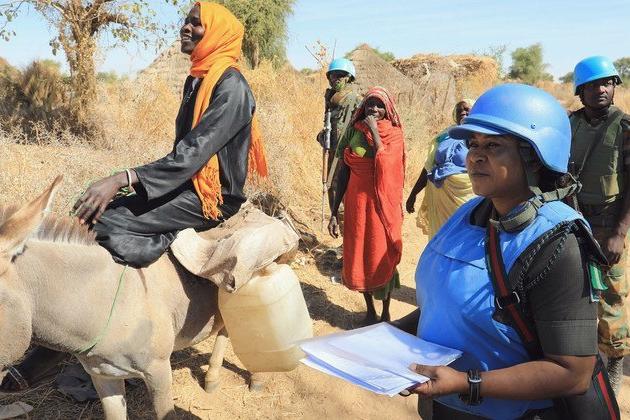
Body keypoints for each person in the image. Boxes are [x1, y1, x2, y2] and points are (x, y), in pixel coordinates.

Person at [0, 1, 266, 392]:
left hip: (213, 195)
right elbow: (184, 154)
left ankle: (132, 334)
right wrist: (130, 185)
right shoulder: (199, 78)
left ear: (218, 33)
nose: (186, 27)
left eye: (196, 23)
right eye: (186, 20)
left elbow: (192, 154)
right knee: (91, 214)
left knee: (111, 223)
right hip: (188, 183)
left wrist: (125, 178)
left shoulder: (232, 86)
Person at [394, 84, 609, 419]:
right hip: (443, 407)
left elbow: (572, 372)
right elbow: (445, 307)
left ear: (534, 156)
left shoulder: (559, 242)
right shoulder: (468, 215)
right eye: (473, 144)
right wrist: (388, 337)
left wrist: (467, 383)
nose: (475, 156)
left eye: (493, 145)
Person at [569, 55, 630, 394]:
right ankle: (577, 360)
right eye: (592, 85)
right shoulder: (569, 125)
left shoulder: (625, 128)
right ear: (580, 92)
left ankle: (614, 362)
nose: (601, 89)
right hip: (573, 220)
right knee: (572, 289)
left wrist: (619, 233)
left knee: (611, 296)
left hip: (608, 225)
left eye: (607, 83)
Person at [328, 87, 404, 325]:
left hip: (383, 205)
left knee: (381, 253)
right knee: (360, 253)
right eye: (370, 103)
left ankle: (386, 312)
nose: (374, 109)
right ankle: (370, 310)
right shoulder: (354, 130)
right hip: (357, 205)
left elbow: (388, 166)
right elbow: (344, 172)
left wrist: (374, 131)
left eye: (379, 105)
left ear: (388, 109)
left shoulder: (395, 134)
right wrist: (334, 212)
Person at [406, 99, 476, 239]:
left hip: (466, 198)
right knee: (440, 239)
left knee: (463, 238)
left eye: (467, 109)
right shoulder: (444, 136)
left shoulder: (479, 137)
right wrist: (413, 194)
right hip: (439, 200)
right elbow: (428, 167)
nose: (462, 112)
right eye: (459, 110)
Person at [317, 58, 362, 212]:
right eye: (333, 75)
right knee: (331, 185)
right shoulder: (331, 99)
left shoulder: (355, 100)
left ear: (348, 78)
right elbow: (330, 125)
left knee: (346, 186)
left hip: (348, 153)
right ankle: (335, 217)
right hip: (332, 151)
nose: (336, 79)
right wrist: (322, 136)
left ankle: (344, 220)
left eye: (340, 75)